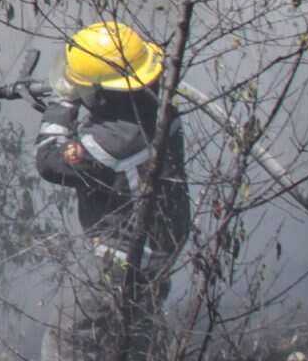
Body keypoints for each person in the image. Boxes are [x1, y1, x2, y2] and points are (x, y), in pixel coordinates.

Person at [34, 21, 191, 361]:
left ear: (104, 93)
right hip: (157, 251)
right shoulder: (153, 111)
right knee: (135, 334)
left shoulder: (118, 139)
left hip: (121, 258)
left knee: (68, 341)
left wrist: (62, 104)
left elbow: (49, 162)